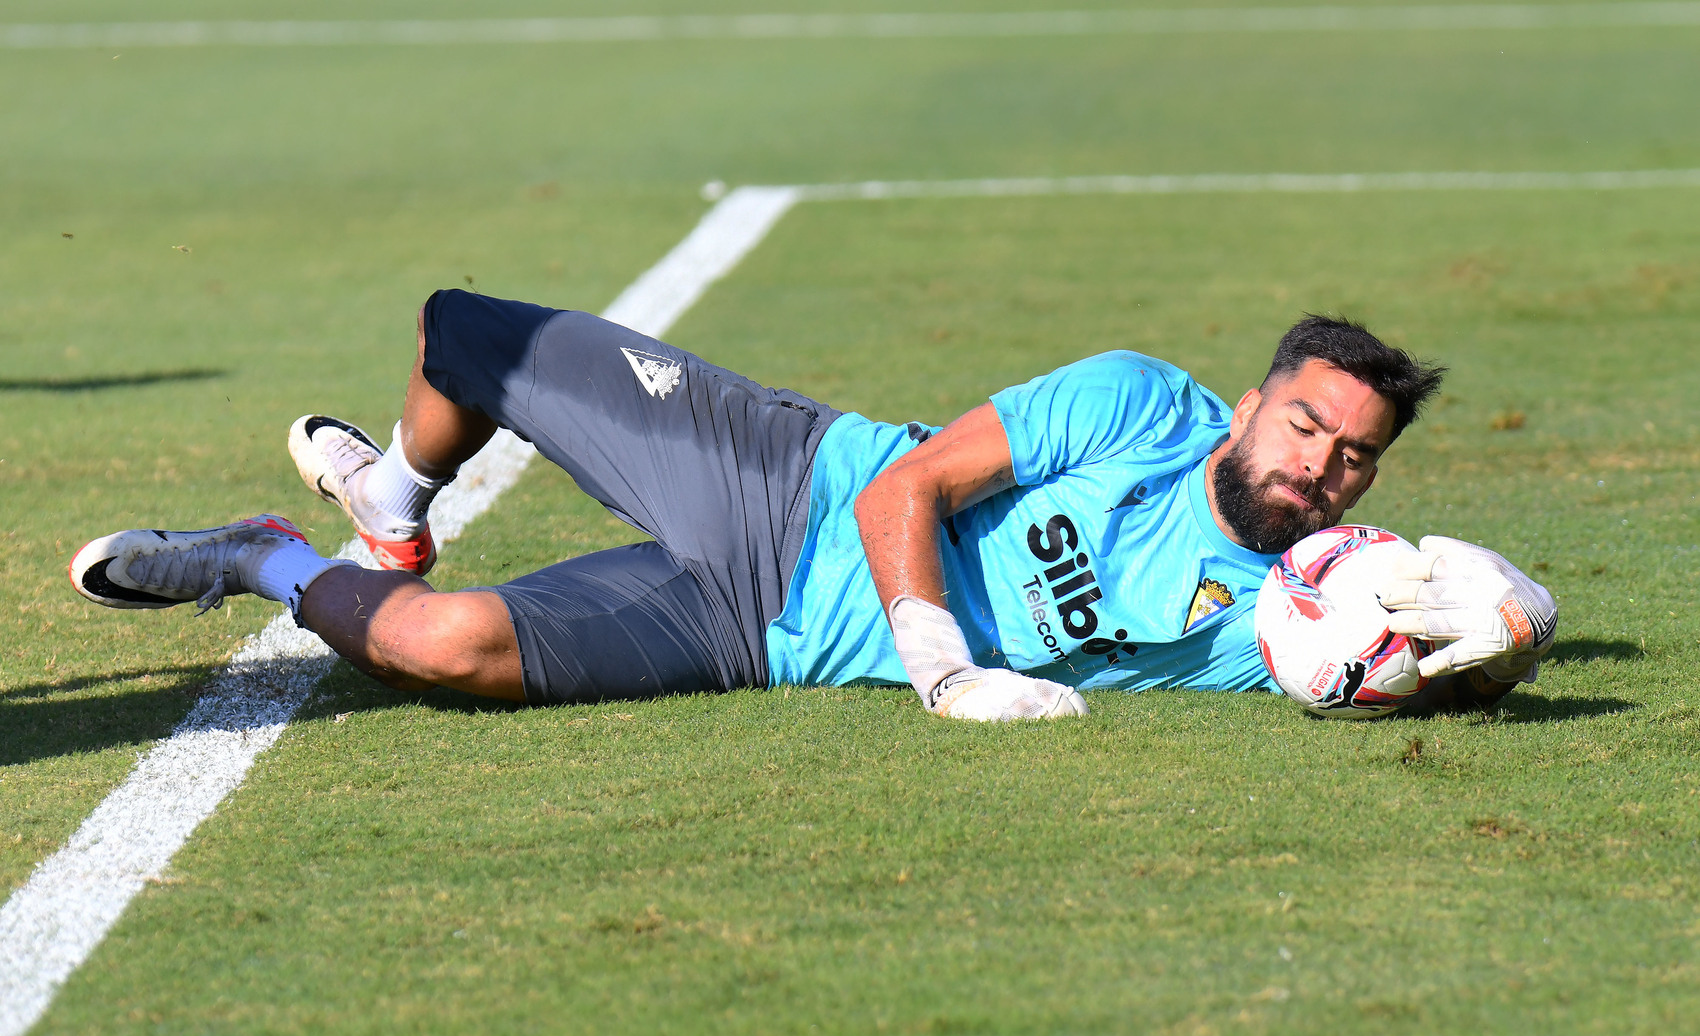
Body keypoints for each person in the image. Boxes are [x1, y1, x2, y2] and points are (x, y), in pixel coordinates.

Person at [69, 291, 1556, 720]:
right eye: (1304, 425)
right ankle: (394, 501)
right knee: (468, 337)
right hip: (783, 477)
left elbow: (1416, 664)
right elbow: (914, 483)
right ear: (1248, 406)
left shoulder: (1292, 615)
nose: (1318, 467)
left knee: (438, 648)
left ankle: (262, 558)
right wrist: (943, 667)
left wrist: (1516, 626)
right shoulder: (1134, 404)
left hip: (760, 634)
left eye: (1353, 458)